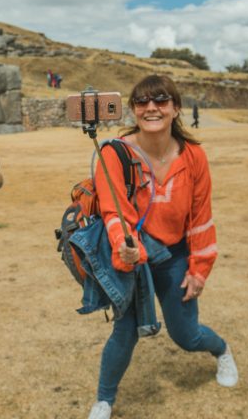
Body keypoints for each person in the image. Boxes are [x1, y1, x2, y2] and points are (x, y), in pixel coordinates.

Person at [87, 74, 237, 419]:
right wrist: (128, 252)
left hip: (175, 256)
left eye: (161, 100)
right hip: (133, 258)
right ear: (133, 110)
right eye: (142, 102)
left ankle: (223, 350)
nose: (151, 107)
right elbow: (114, 212)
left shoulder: (194, 156)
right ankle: (104, 400)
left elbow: (201, 216)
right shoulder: (115, 154)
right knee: (124, 332)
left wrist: (199, 270)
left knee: (187, 336)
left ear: (176, 108)